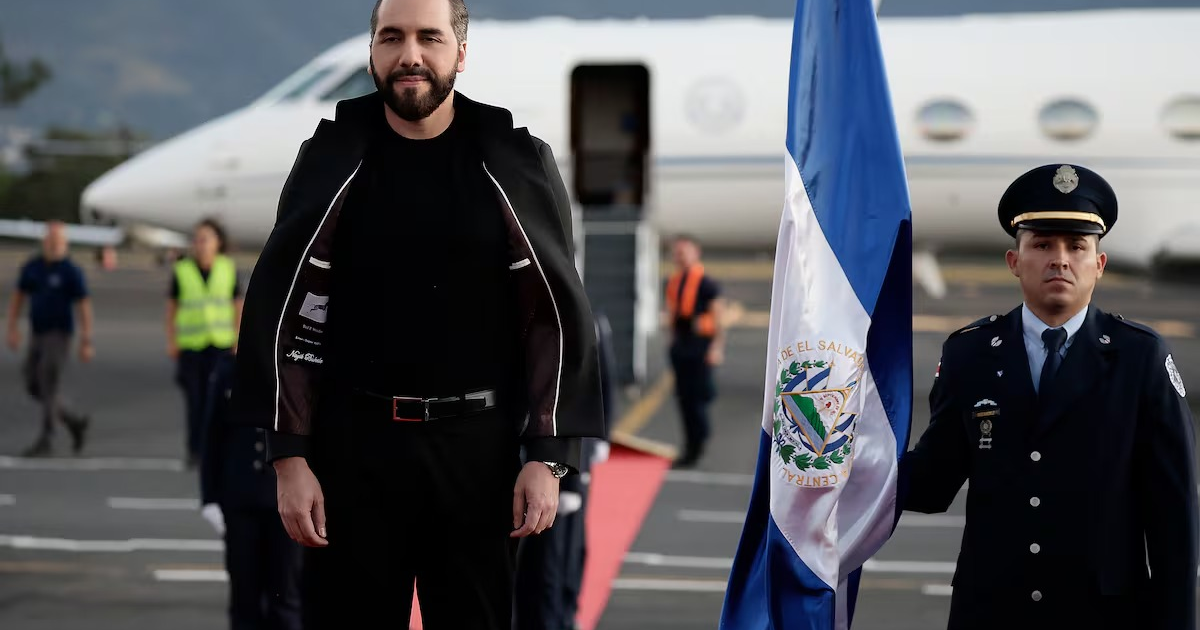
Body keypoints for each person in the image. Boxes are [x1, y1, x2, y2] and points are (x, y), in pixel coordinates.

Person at [227, 0, 607, 628]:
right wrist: (289, 457)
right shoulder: (329, 159)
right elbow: (290, 312)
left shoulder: (516, 163)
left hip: (478, 457)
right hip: (352, 454)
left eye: (429, 38)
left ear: (461, 52)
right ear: (372, 52)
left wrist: (548, 455)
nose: (410, 55)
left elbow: (553, 316)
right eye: (392, 37)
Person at [901, 163, 1197, 629]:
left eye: (1076, 246)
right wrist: (840, 462)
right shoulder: (971, 354)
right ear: (1014, 261)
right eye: (1042, 245)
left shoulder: (1139, 357)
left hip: (1103, 615)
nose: (1060, 259)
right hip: (993, 613)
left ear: (1099, 265)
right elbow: (932, 483)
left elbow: (1173, 517)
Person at [512, 311, 616, 630]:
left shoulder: (588, 321)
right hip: (543, 462)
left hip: (566, 462)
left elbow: (598, 386)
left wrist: (579, 469)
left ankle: (562, 616)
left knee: (563, 555)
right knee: (543, 560)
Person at [199, 353, 303, 630]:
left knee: (286, 596)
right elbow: (212, 437)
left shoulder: (295, 367)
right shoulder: (228, 371)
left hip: (286, 500)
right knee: (244, 596)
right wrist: (209, 498)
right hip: (240, 498)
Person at [6, 220, 92, 457]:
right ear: (44, 241)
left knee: (48, 380)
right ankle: (72, 420)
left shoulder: (70, 271)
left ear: (65, 244)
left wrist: (86, 339)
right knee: (33, 384)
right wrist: (12, 327)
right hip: (37, 332)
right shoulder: (33, 267)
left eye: (58, 241)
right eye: (51, 240)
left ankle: (47, 437)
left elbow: (83, 305)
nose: (54, 245)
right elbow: (19, 296)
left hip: (59, 333)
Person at [167, 218, 243, 467]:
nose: (200, 244)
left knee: (219, 401)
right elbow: (172, 309)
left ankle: (217, 450)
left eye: (205, 239)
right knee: (195, 400)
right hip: (192, 346)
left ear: (217, 242)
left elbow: (237, 306)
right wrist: (172, 341)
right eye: (197, 240)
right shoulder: (182, 270)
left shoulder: (227, 269)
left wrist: (237, 338)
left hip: (221, 345)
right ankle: (195, 450)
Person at [663, 234, 725, 468]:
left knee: (698, 397)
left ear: (695, 253)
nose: (679, 256)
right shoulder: (673, 282)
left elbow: (718, 317)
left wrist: (716, 347)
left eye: (684, 251)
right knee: (684, 397)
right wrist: (672, 341)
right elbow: (672, 314)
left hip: (700, 346)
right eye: (676, 252)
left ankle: (698, 442)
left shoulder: (706, 283)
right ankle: (691, 443)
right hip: (682, 347)